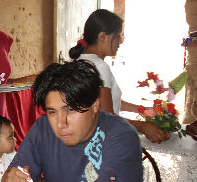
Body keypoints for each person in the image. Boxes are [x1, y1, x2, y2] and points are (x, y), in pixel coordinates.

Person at [1, 60, 144, 182]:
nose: (61, 123)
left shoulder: (121, 135)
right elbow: (8, 179)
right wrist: (11, 181)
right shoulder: (43, 128)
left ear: (95, 105)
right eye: (52, 112)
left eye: (70, 110)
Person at [69, 8, 169, 144]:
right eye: (117, 36)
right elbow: (106, 117)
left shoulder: (80, 60)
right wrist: (142, 126)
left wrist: (142, 110)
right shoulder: (99, 67)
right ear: (102, 36)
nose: (120, 41)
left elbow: (108, 101)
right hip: (102, 140)